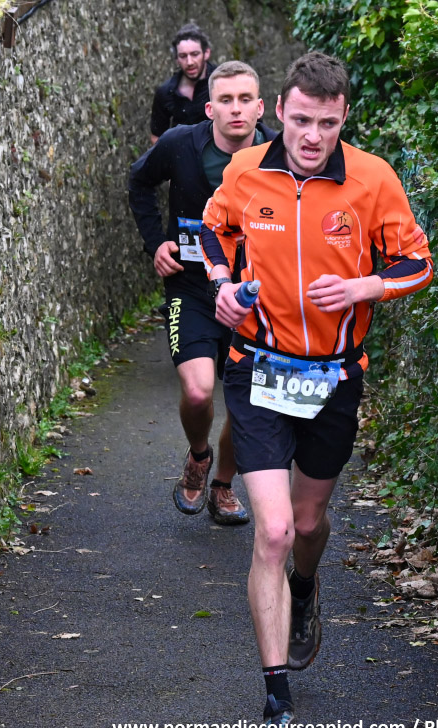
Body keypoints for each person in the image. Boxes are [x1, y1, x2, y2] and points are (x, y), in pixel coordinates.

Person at [201, 51, 433, 728]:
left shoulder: (372, 179)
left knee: (306, 525)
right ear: (279, 112)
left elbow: (417, 262)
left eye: (327, 124)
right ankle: (277, 705)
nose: (312, 136)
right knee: (271, 530)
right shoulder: (246, 171)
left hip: (333, 378)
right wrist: (222, 285)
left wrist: (366, 287)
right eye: (301, 120)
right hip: (257, 369)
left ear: (343, 119)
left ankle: (305, 589)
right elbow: (213, 232)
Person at [129, 61, 276, 525]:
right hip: (192, 287)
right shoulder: (179, 144)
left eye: (245, 99)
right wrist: (156, 243)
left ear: (260, 107)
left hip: (254, 296)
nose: (236, 109)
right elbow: (139, 181)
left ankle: (223, 485)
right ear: (209, 108)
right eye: (225, 100)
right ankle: (198, 455)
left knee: (245, 402)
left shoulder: (280, 155)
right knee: (198, 393)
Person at [150, 23, 216, 145]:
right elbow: (157, 136)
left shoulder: (224, 82)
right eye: (183, 56)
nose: (189, 62)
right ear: (176, 59)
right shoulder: (165, 92)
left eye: (195, 54)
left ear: (206, 53)